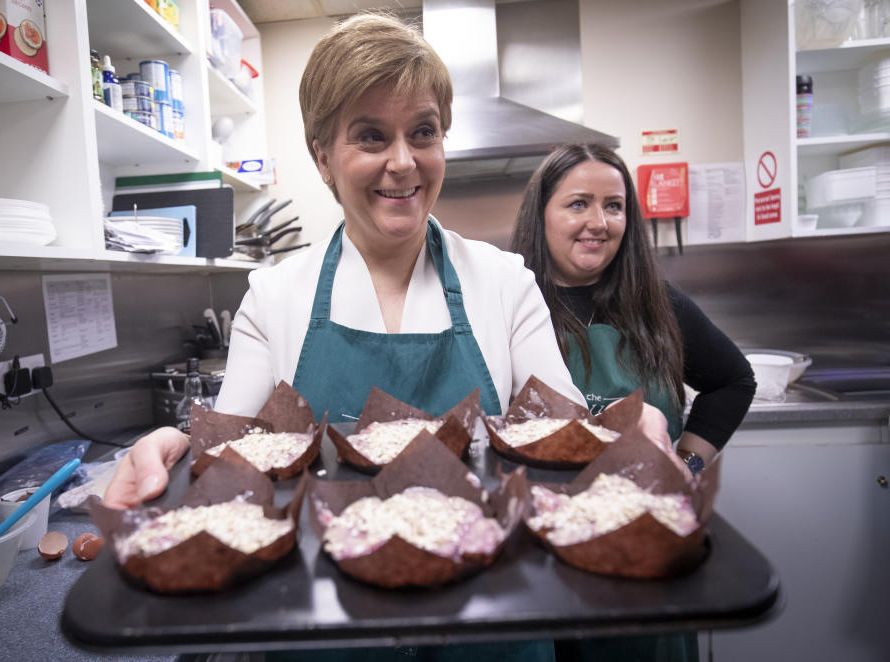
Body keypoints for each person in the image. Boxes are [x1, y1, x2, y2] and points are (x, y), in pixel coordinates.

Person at [103, 15, 671, 662]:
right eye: (371, 136)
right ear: (323, 157)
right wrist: (173, 442)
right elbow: (230, 456)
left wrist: (631, 424)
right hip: (330, 631)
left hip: (489, 631)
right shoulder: (277, 296)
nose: (403, 163)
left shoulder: (502, 282)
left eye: (423, 133)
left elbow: (564, 429)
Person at [510, 143, 757, 662]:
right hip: (549, 555)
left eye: (614, 205)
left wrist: (687, 465)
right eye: (578, 203)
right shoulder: (513, 306)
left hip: (649, 551)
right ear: (543, 214)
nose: (598, 221)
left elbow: (733, 381)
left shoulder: (657, 304)